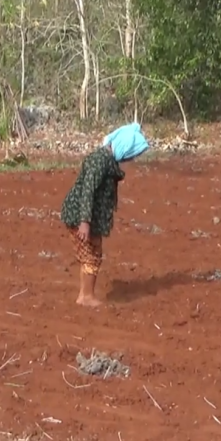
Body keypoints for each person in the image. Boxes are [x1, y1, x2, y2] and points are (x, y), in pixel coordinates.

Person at [59, 123, 149, 307]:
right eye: (132, 154)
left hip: (86, 214)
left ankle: (85, 294)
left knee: (91, 253)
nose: (131, 159)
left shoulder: (106, 159)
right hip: (80, 215)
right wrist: (84, 222)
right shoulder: (99, 161)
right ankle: (86, 297)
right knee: (91, 254)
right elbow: (87, 190)